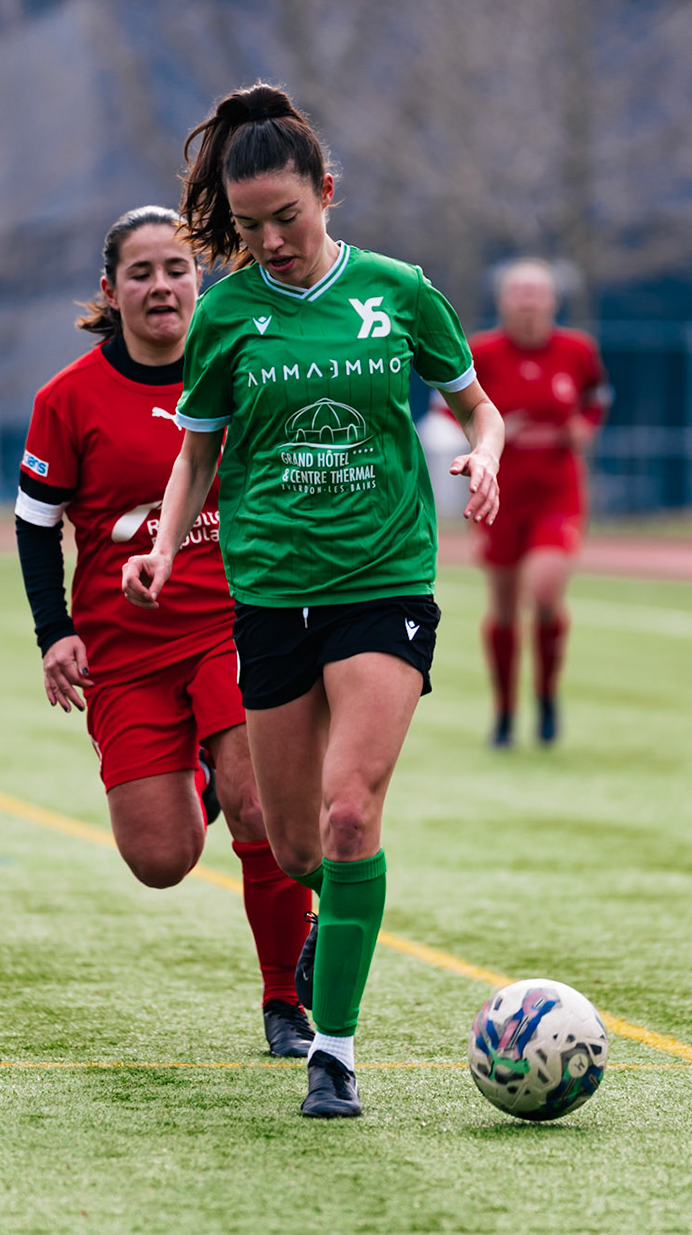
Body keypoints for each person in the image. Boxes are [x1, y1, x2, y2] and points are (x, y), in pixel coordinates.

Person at [124, 84, 504, 1117]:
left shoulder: (398, 291)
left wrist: (485, 456)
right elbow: (195, 456)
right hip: (271, 595)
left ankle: (332, 1049)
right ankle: (349, 931)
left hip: (383, 584)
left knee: (348, 813)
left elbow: (477, 404)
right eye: (248, 228)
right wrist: (163, 548)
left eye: (286, 218)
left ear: (327, 192)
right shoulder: (228, 316)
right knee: (295, 847)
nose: (271, 242)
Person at [17, 204, 318, 1059]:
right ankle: (206, 777)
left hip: (236, 621)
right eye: (141, 273)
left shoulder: (244, 368)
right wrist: (54, 632)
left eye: (177, 269)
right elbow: (35, 526)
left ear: (202, 280)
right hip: (124, 647)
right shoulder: (66, 399)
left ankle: (283, 1000)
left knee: (261, 807)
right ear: (110, 291)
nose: (161, 286)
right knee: (161, 858)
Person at [467, 259, 610, 747]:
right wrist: (492, 436)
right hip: (501, 493)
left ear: (552, 300)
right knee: (504, 607)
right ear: (503, 300)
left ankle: (547, 697)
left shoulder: (577, 350)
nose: (528, 300)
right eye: (518, 291)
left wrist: (584, 426)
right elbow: (454, 409)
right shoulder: (481, 352)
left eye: (537, 291)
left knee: (545, 593)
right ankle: (505, 713)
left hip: (557, 489)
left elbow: (597, 395)